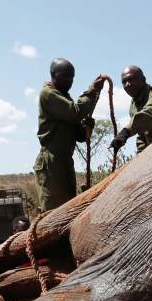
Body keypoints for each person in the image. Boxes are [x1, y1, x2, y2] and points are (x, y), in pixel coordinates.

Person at [35, 58, 108, 212]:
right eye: (65, 76)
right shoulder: (48, 94)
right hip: (51, 163)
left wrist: (87, 127)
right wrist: (92, 91)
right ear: (53, 75)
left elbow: (80, 136)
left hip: (65, 161)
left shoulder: (65, 97)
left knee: (68, 208)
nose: (70, 81)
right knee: (53, 211)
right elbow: (75, 112)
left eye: (72, 77)